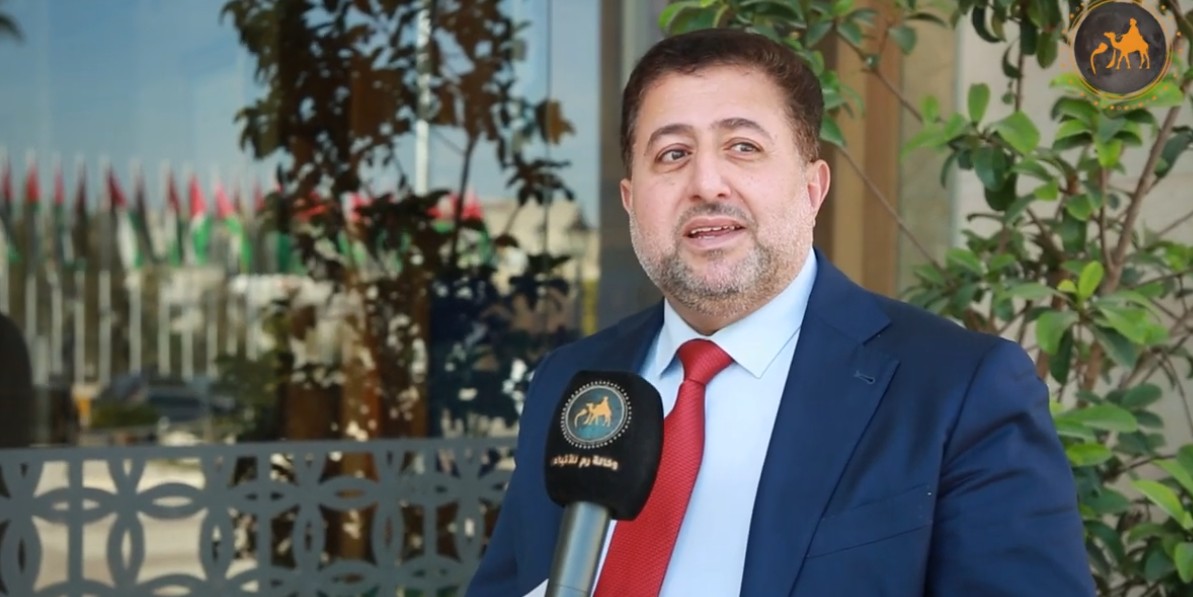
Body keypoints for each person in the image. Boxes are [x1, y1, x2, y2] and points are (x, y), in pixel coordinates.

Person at [466, 27, 1094, 597]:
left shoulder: (958, 390)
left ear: (812, 188)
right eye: (672, 154)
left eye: (743, 146)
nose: (706, 183)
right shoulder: (571, 383)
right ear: (631, 201)